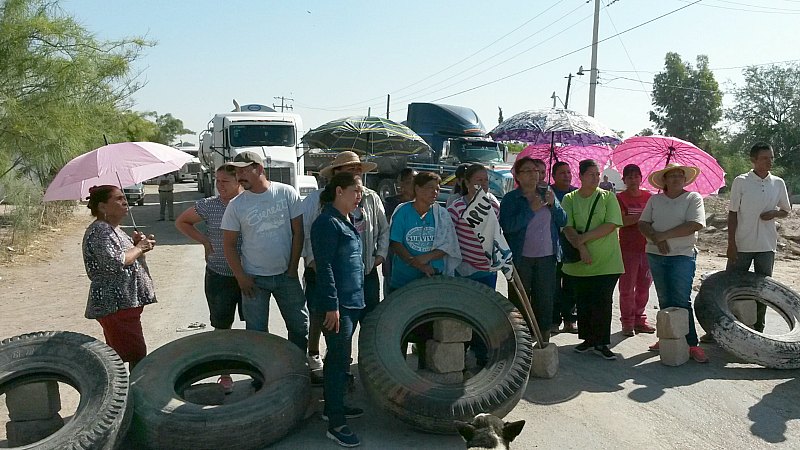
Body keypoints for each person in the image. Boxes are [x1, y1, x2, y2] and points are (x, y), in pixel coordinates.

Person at [302, 151, 389, 372]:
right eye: (350, 169)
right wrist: (313, 261)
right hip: (326, 272)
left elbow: (383, 229)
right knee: (323, 318)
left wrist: (380, 254)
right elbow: (304, 233)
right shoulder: (317, 200)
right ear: (336, 174)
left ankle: (358, 367)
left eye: (358, 170)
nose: (356, 173)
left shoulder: (370, 198)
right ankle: (320, 360)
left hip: (364, 273)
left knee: (365, 322)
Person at [221, 151, 308, 351]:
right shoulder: (236, 205)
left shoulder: (286, 193)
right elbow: (229, 245)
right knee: (257, 334)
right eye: (236, 172)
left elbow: (298, 232)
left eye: (244, 170)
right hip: (254, 279)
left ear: (259, 169)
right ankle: (262, 378)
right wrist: (241, 277)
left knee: (299, 327)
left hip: (287, 275)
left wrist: (293, 268)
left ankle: (299, 370)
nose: (239, 176)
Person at [310, 172, 367, 448]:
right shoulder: (326, 223)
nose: (359, 196)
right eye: (355, 191)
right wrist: (331, 306)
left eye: (360, 192)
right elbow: (325, 268)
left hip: (353, 302)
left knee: (342, 358)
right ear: (339, 191)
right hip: (338, 306)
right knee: (337, 359)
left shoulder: (347, 220)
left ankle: (333, 406)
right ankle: (336, 422)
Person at [175, 165, 243, 392]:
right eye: (218, 180)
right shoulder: (209, 205)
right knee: (222, 325)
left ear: (238, 182)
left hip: (249, 273)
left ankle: (256, 369)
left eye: (225, 181)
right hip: (219, 274)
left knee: (254, 326)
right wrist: (204, 241)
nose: (219, 185)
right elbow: (182, 221)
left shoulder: (249, 203)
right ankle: (224, 373)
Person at [390, 172, 461, 367]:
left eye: (437, 188)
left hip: (430, 281)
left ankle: (424, 369)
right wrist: (415, 262)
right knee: (400, 327)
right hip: (403, 280)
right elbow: (395, 242)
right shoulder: (403, 212)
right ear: (417, 189)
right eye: (430, 187)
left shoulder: (441, 214)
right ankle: (398, 369)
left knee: (426, 329)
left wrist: (427, 258)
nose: (435, 192)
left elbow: (449, 245)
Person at [639, 163, 708, 363]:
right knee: (664, 299)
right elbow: (643, 223)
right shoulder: (655, 199)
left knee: (681, 300)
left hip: (682, 254)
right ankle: (666, 338)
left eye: (680, 175)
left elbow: (694, 225)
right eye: (672, 175)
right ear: (665, 180)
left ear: (685, 179)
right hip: (655, 254)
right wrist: (655, 238)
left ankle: (692, 344)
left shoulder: (693, 198)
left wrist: (662, 237)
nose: (677, 178)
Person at [82, 185, 157, 370]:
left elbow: (128, 256)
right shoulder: (101, 231)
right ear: (102, 207)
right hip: (115, 303)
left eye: (124, 198)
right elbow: (116, 262)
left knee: (126, 353)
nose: (124, 202)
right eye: (118, 199)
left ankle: (127, 394)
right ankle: (130, 395)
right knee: (134, 355)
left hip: (124, 303)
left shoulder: (113, 229)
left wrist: (137, 245)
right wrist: (140, 248)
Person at [561, 159, 624, 360]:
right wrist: (581, 248)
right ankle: (587, 339)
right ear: (580, 176)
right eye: (591, 174)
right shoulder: (570, 199)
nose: (595, 178)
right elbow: (566, 226)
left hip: (607, 260)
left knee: (603, 301)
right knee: (584, 300)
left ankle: (602, 342)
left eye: (597, 174)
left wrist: (583, 240)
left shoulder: (608, 197)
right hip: (580, 262)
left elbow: (611, 224)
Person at [500, 157, 567, 343]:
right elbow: (508, 227)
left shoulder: (547, 192)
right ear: (518, 176)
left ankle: (543, 338)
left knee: (545, 299)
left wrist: (554, 205)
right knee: (519, 301)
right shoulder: (511, 198)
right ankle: (519, 339)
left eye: (536, 171)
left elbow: (563, 221)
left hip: (547, 257)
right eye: (528, 171)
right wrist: (531, 209)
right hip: (521, 258)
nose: (533, 174)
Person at [726, 142, 791, 332]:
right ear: (753, 160)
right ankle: (722, 328)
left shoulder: (778, 183)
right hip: (742, 244)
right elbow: (732, 213)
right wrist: (731, 244)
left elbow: (786, 211)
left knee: (762, 290)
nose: (769, 161)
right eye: (764, 158)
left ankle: (758, 330)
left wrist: (774, 214)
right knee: (731, 286)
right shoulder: (741, 181)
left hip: (766, 246)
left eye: (771, 157)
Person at [616, 164, 655, 337]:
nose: (633, 180)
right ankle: (627, 322)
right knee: (626, 288)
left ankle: (640, 319)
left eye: (636, 176)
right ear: (624, 180)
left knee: (644, 287)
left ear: (641, 178)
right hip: (627, 249)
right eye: (629, 177)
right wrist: (643, 217)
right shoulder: (619, 198)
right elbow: (621, 221)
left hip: (648, 249)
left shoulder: (650, 198)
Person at [447, 164, 501, 288]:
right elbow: (448, 238)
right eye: (479, 180)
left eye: (486, 180)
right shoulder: (456, 207)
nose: (483, 184)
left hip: (488, 269)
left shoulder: (494, 207)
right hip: (464, 269)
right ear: (467, 183)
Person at [550, 161, 578, 334]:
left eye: (568, 172)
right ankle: (554, 319)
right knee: (553, 284)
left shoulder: (576, 193)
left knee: (571, 284)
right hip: (552, 244)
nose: (566, 175)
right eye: (562, 173)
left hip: (571, 243)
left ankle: (570, 319)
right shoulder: (547, 193)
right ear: (553, 176)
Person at [383, 167, 417, 292]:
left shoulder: (423, 204)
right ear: (400, 184)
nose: (413, 184)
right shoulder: (392, 203)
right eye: (409, 181)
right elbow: (387, 231)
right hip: (394, 252)